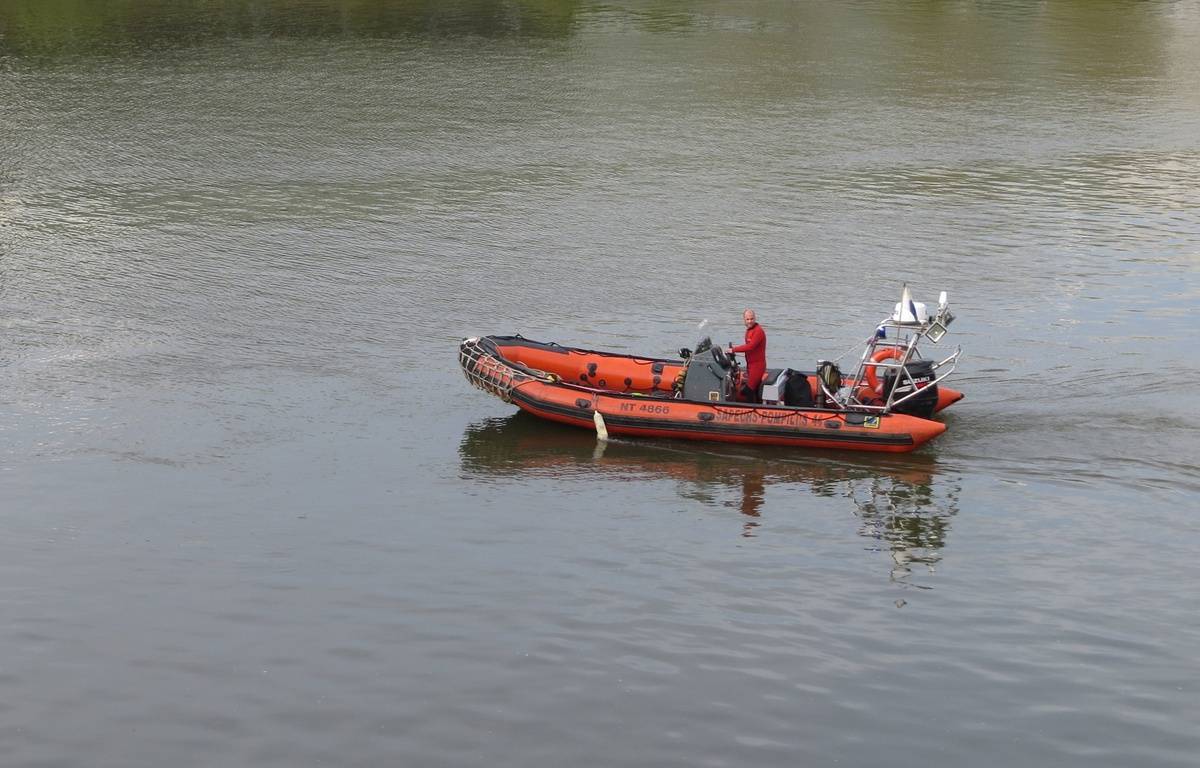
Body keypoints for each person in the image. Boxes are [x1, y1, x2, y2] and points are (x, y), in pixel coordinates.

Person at [729, 309, 767, 403]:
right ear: (744, 320)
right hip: (750, 365)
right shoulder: (749, 331)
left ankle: (752, 409)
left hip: (757, 366)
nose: (750, 321)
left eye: (751, 319)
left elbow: (750, 347)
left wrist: (734, 349)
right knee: (755, 388)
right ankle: (759, 405)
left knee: (748, 390)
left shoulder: (758, 331)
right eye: (747, 319)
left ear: (755, 318)